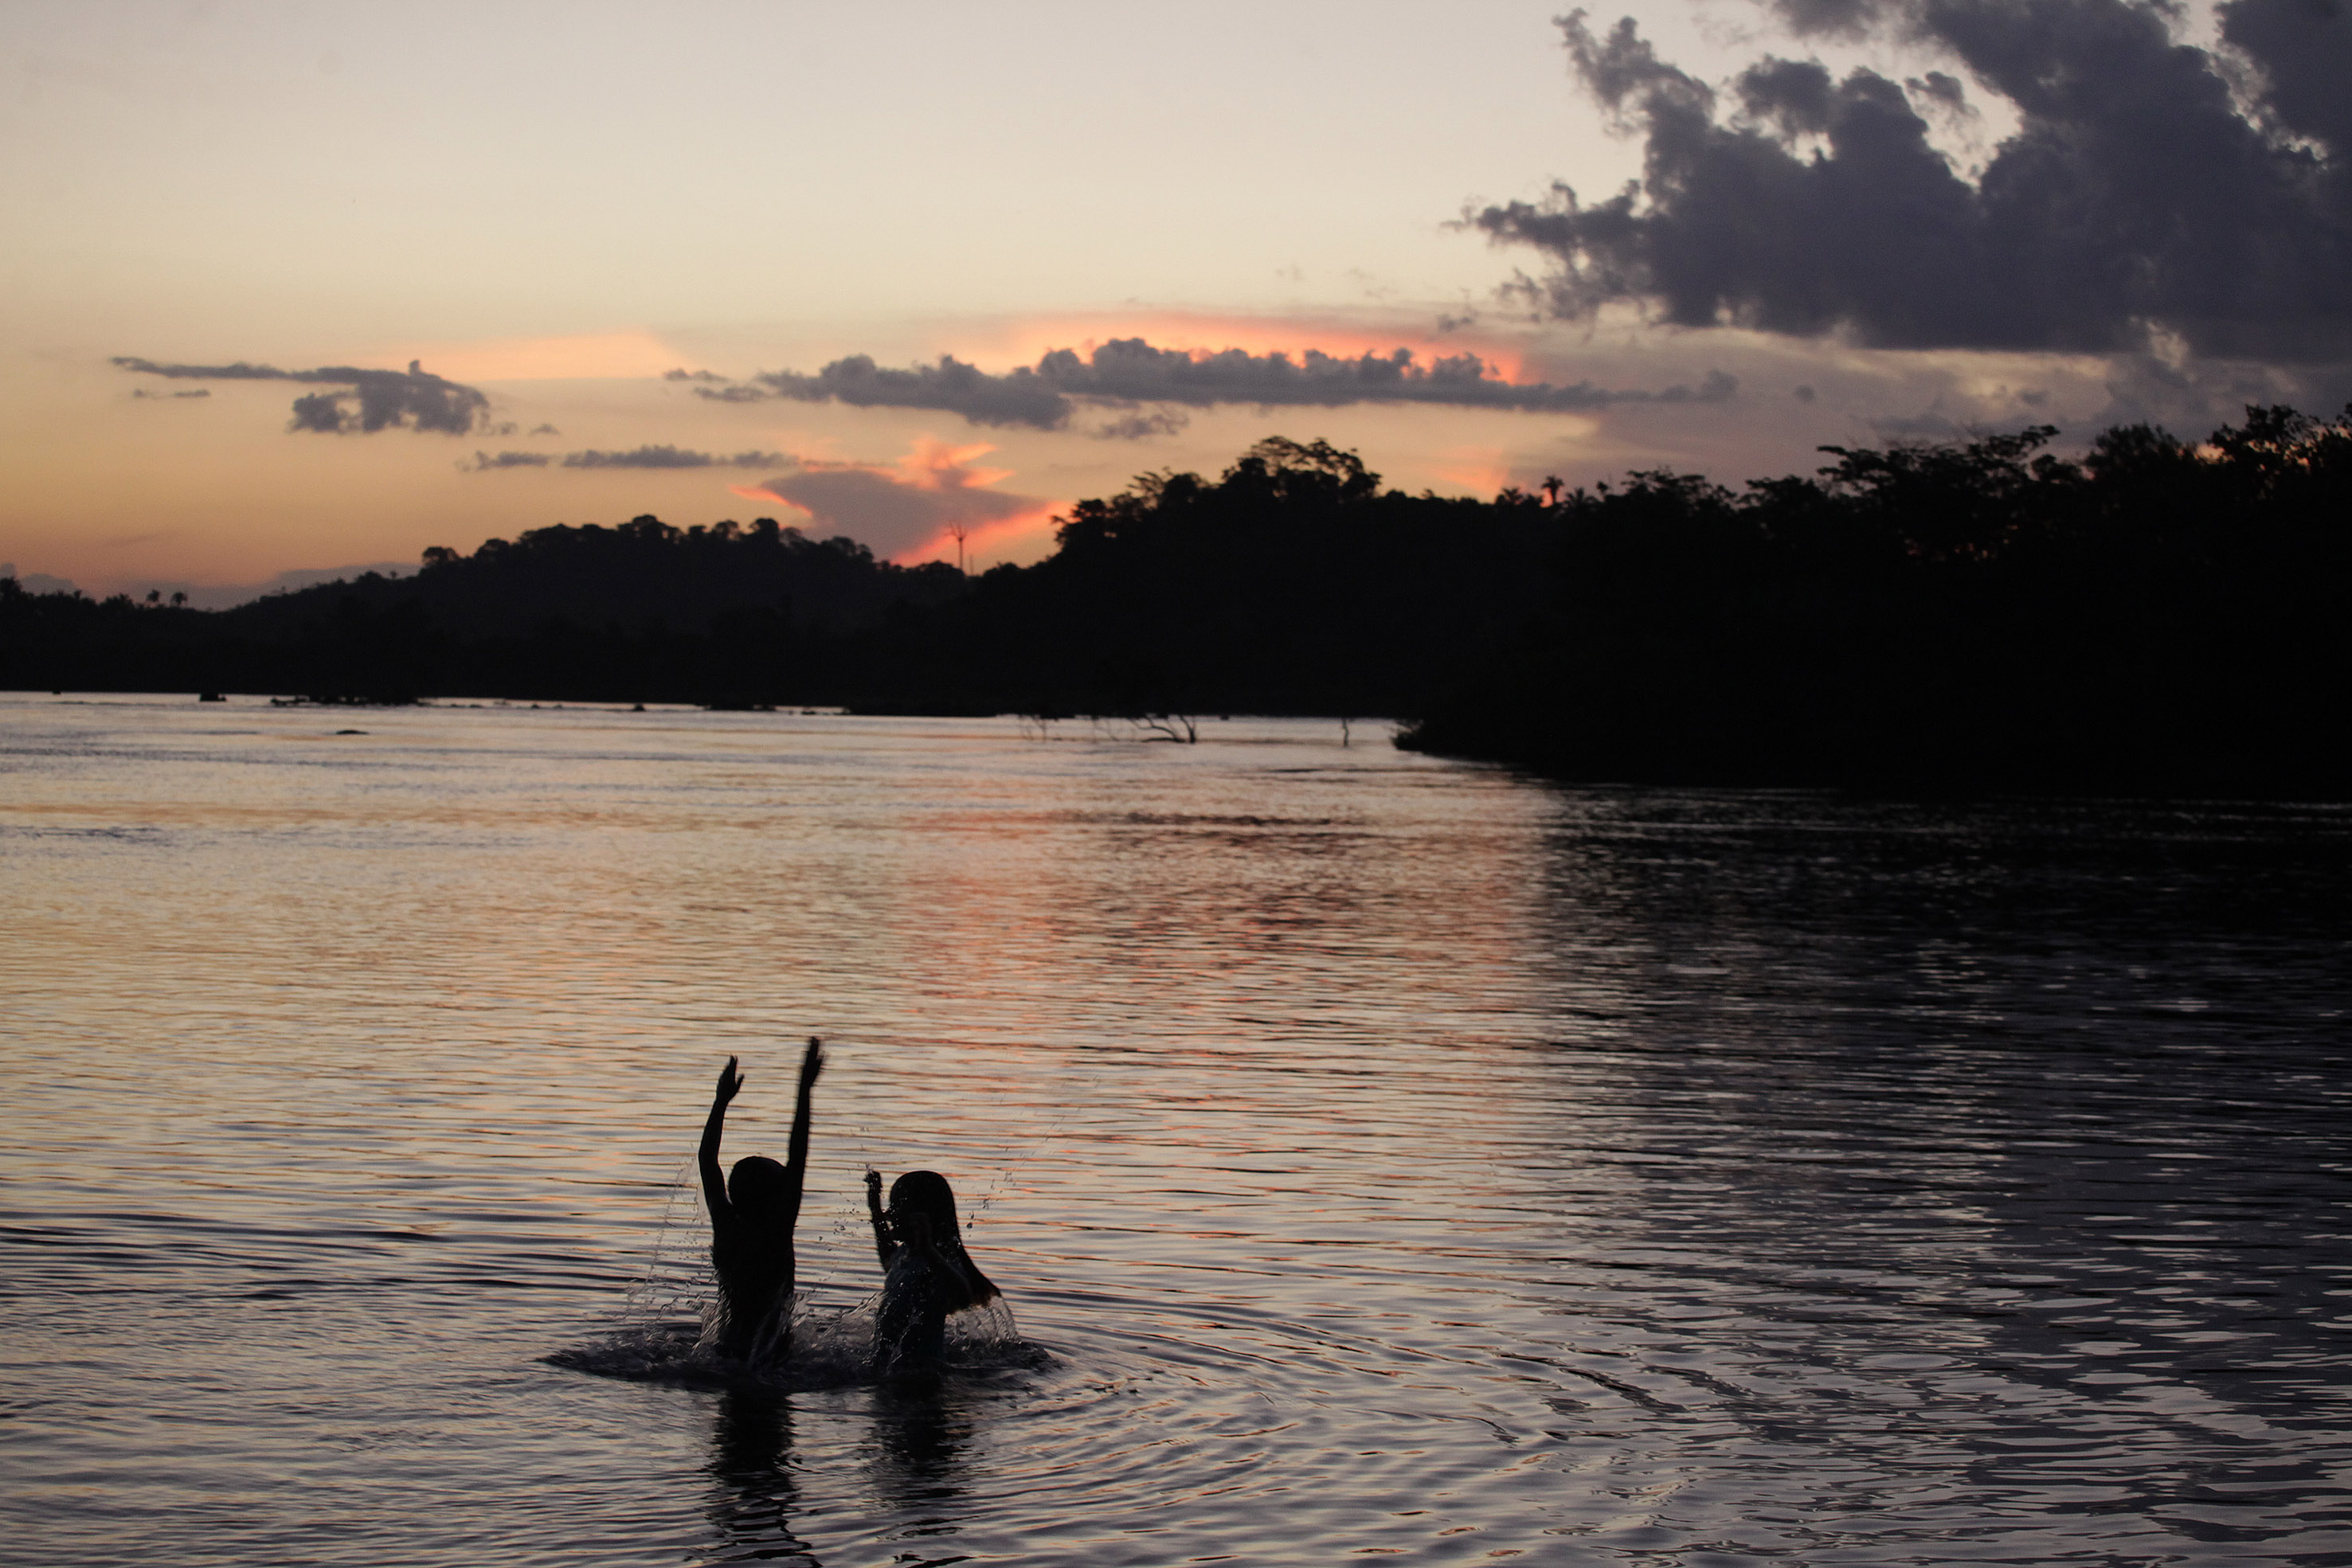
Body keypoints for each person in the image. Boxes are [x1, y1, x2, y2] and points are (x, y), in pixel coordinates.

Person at [699, 1039, 824, 1363]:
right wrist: (804, 1089)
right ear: (777, 1198)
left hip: (727, 1351)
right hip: (771, 1359)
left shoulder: (726, 1225)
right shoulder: (775, 1234)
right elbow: (799, 1155)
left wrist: (721, 1102)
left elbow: (708, 1162)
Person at [863, 1168, 1000, 1375]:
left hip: (922, 1377)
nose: (889, 1214)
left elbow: (963, 1295)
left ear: (921, 1217)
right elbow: (888, 1262)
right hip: (894, 1371)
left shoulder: (935, 1266)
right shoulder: (907, 1255)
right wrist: (874, 1207)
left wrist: (929, 1251)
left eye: (896, 1207)